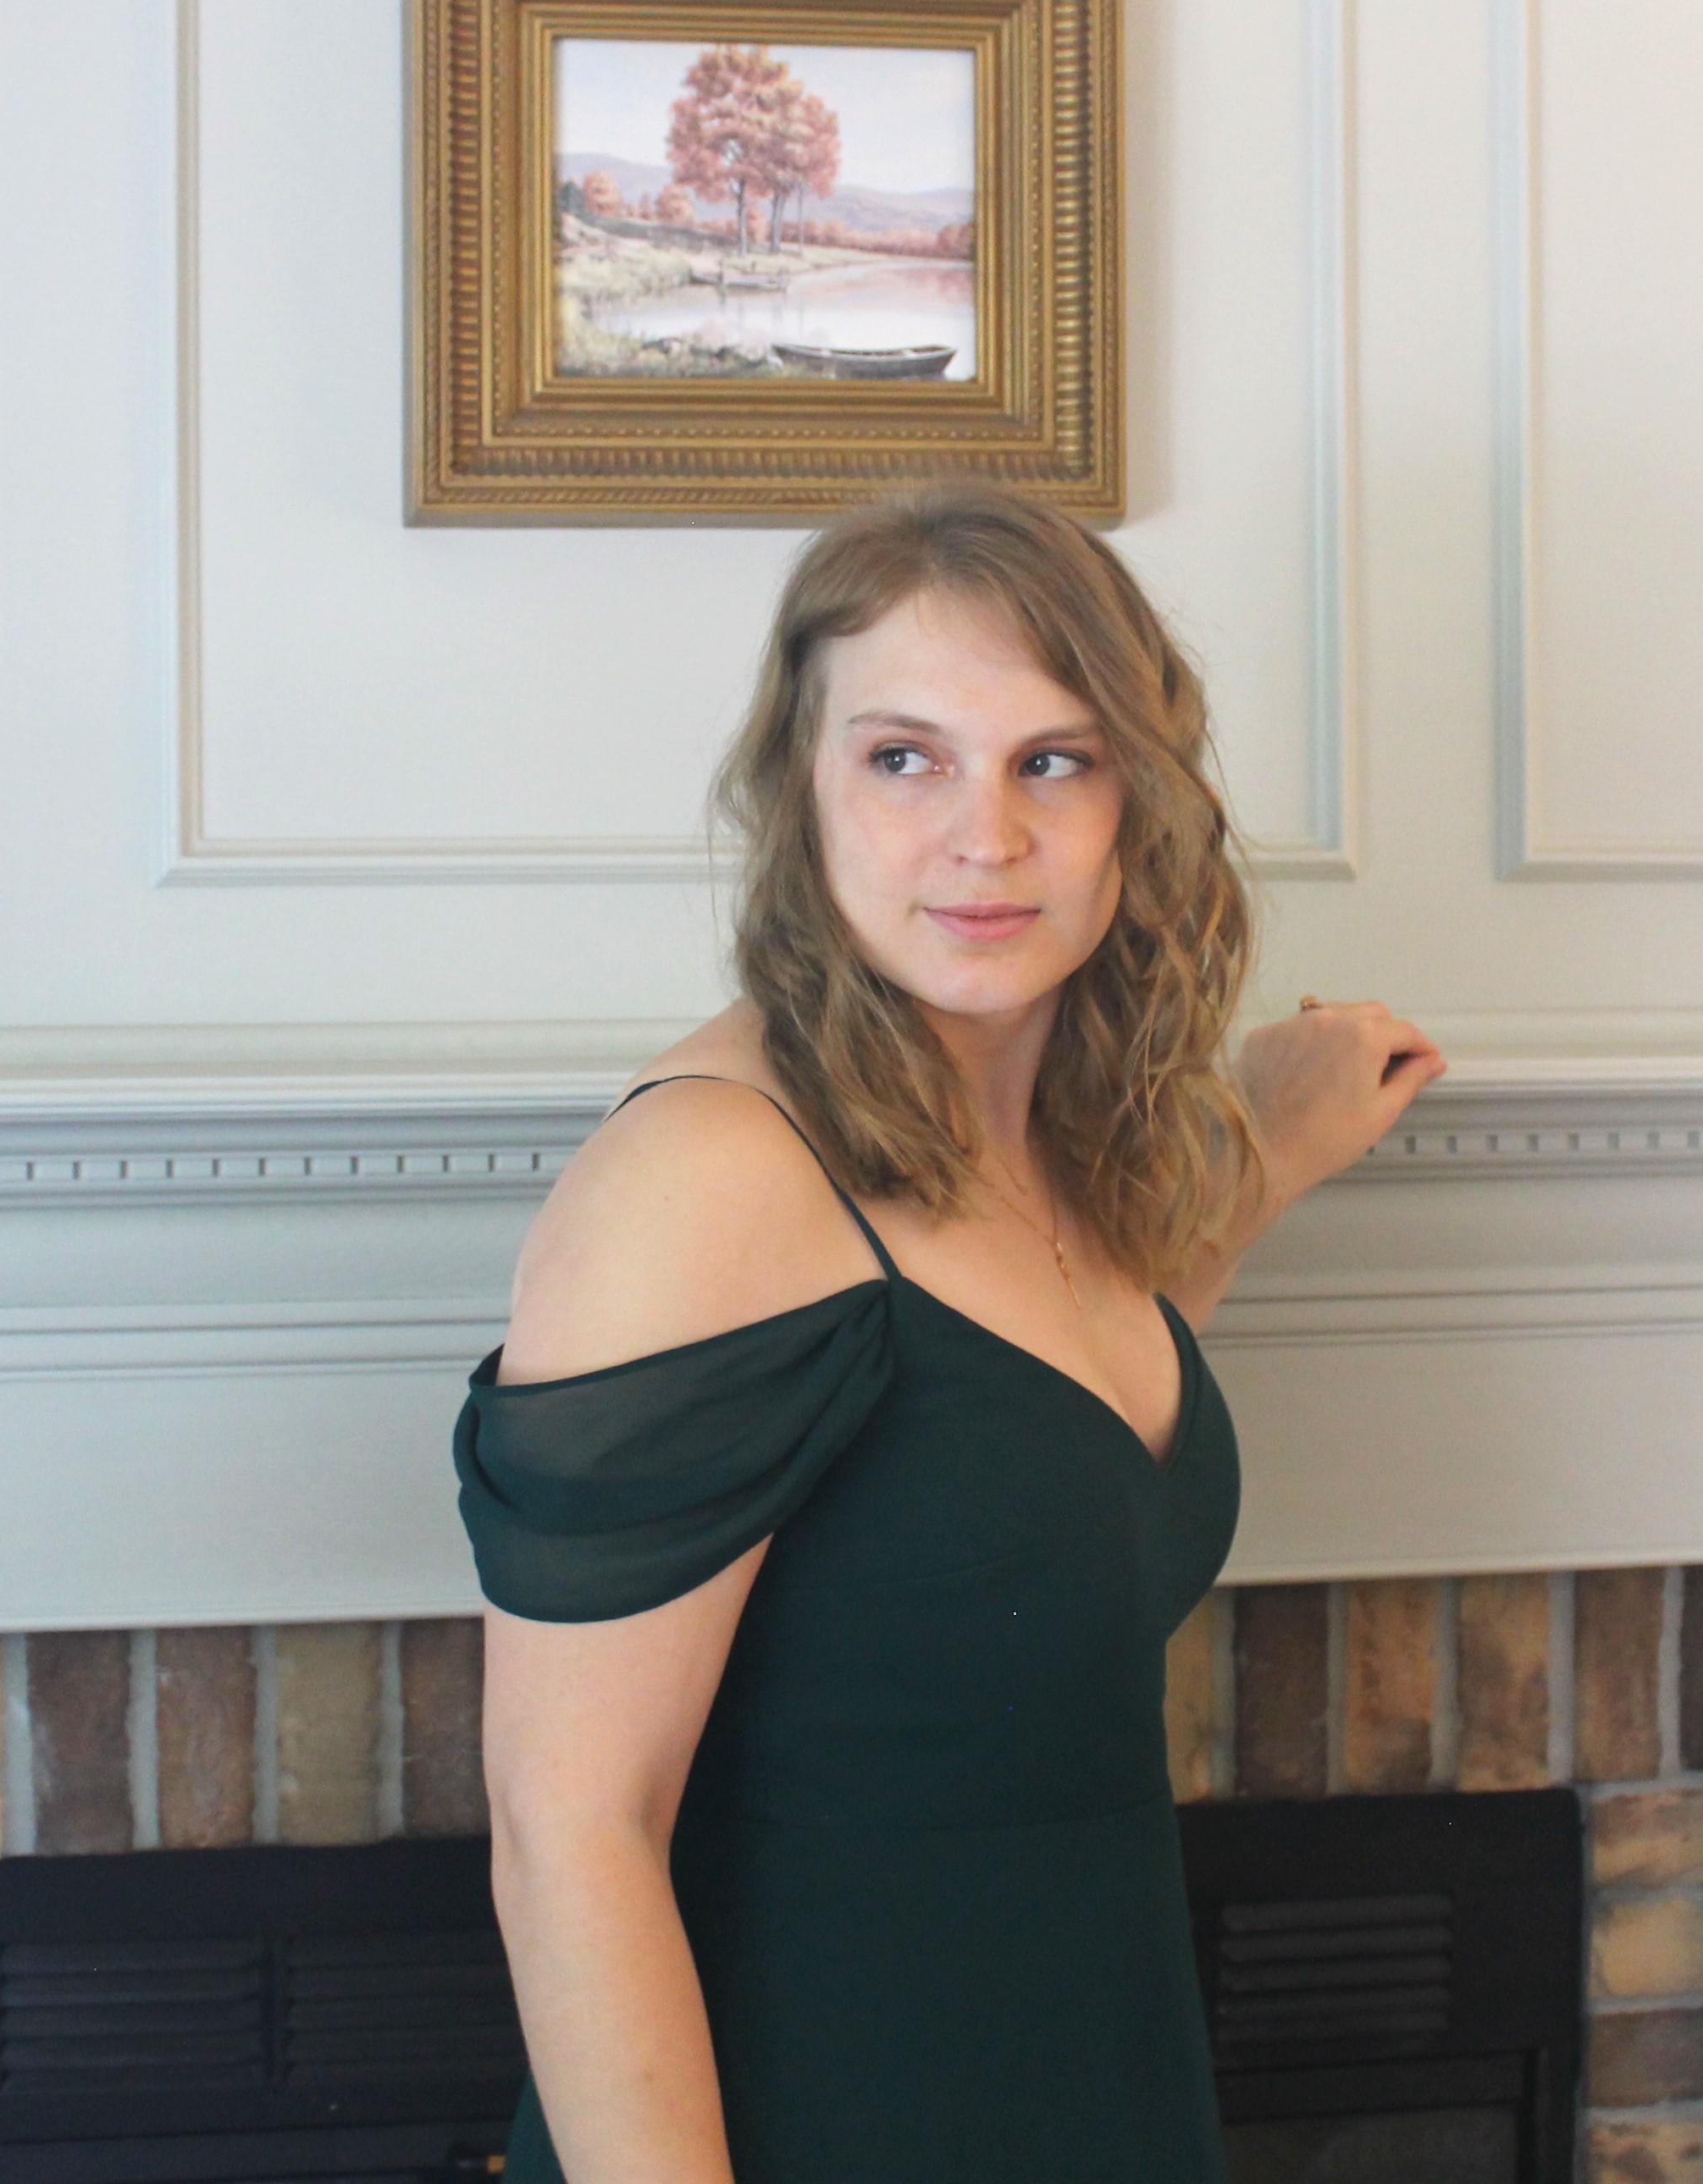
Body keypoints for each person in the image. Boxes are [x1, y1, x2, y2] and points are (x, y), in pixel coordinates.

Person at [451, 484, 1446, 2183]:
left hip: (1089, 2080)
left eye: (1054, 760)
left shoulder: (1061, 1146)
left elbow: (1022, 1455)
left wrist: (1267, 1147)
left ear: (1139, 801)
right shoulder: (708, 1181)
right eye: (905, 757)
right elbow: (570, 1829)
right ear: (802, 789)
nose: (985, 836)